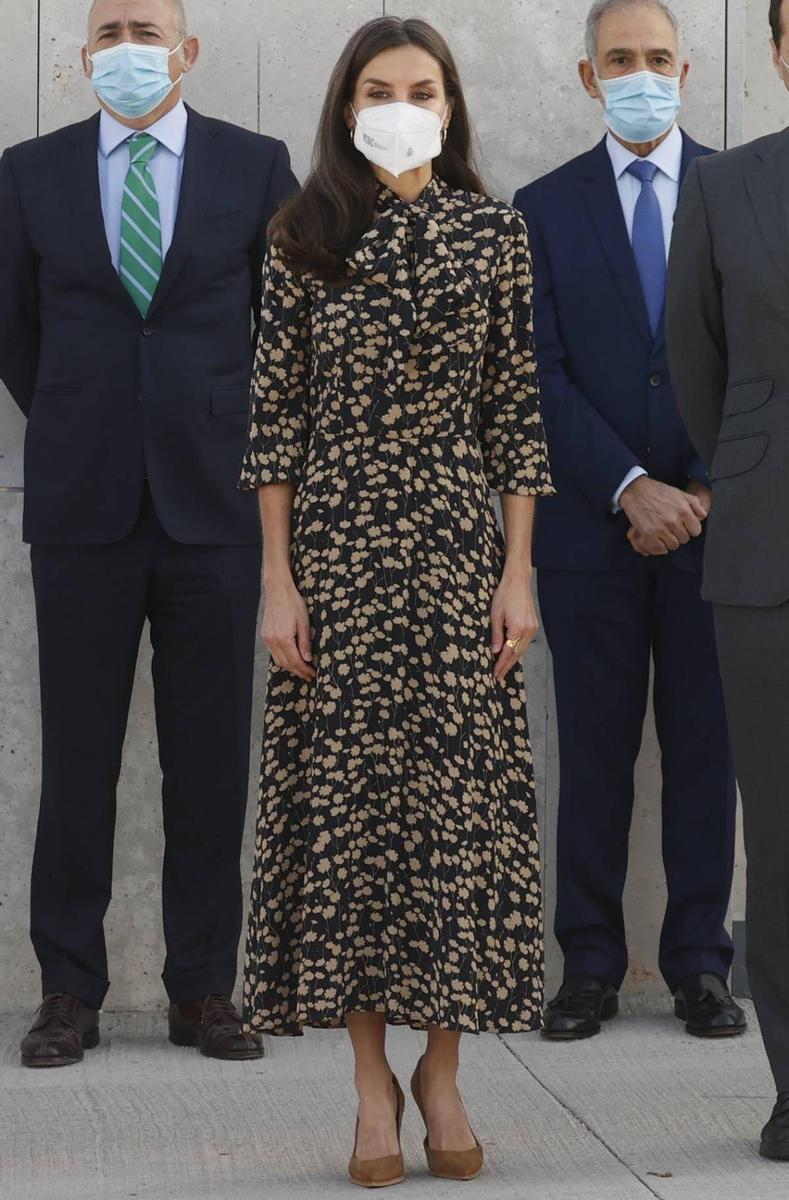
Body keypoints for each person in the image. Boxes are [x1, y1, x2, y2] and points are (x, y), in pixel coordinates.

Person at [239, 15, 553, 1187]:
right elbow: (273, 423)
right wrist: (278, 581)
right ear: (346, 103)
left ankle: (445, 1068)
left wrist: (517, 574)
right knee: (355, 822)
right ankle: (372, 1084)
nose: (402, 103)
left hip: (460, 553)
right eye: (379, 87)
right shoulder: (300, 236)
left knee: (459, 821)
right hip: (337, 557)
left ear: (453, 104)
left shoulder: (495, 235)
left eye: (422, 87)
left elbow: (517, 416)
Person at [0, 0, 297, 1068]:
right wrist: (90, 420)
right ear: (83, 55)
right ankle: (69, 990)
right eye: (111, 28)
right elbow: (16, 330)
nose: (130, 46)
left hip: (217, 509)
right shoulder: (28, 172)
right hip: (84, 509)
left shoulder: (256, 166)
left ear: (189, 50)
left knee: (211, 763)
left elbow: (285, 333)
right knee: (77, 760)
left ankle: (204, 988)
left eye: (148, 26)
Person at [514, 0, 744, 1042]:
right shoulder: (542, 206)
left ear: (686, 69)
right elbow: (536, 371)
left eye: (657, 58)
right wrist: (627, 485)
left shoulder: (737, 194)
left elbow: (757, 357)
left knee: (706, 749)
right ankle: (590, 966)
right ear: (586, 76)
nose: (640, 74)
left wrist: (696, 487)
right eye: (621, 60)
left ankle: (700, 960)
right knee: (594, 754)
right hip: (587, 532)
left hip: (716, 528)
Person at [667, 0, 789, 1161]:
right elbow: (696, 367)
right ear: (779, 47)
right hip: (768, 556)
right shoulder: (728, 185)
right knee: (786, 835)